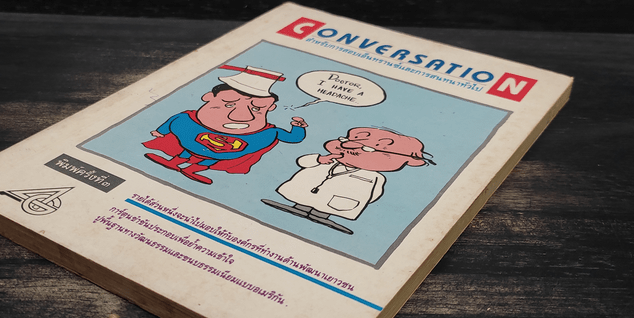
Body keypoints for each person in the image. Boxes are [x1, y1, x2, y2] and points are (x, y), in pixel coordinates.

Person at [144, 65, 307, 184]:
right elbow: (173, 121)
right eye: (229, 104)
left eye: (257, 108)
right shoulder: (187, 120)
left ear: (270, 108)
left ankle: (192, 170)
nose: (241, 116)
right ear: (208, 97)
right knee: (189, 152)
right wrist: (161, 132)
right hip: (191, 146)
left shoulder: (267, 133)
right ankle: (173, 162)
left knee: (210, 159)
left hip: (220, 155)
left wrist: (298, 127)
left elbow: (293, 138)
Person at [262, 127, 433, 234]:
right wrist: (320, 159)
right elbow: (303, 162)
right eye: (345, 141)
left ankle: (319, 216)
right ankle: (300, 208)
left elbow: (374, 194)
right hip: (310, 189)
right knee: (304, 198)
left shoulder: (375, 177)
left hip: (342, 200)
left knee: (325, 207)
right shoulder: (329, 159)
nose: (348, 146)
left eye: (366, 148)